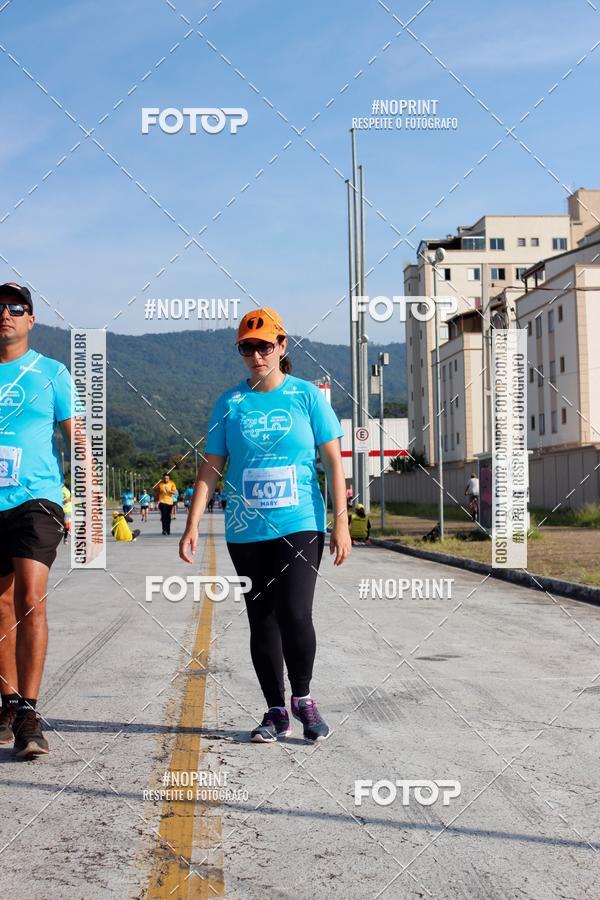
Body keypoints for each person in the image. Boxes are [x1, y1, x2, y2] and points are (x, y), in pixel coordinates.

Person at [180, 307, 351, 744]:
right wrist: (193, 523)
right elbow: (211, 467)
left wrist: (341, 522)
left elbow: (333, 461)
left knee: (295, 612)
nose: (256, 354)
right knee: (262, 618)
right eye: (247, 347)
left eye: (264, 346)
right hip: (246, 529)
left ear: (282, 346)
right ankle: (275, 710)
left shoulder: (306, 396)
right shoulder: (230, 403)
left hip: (299, 522)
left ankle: (304, 698)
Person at [0, 283, 73, 757]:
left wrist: (83, 505)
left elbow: (79, 440)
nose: (5, 314)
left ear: (31, 320)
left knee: (30, 598)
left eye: (15, 308)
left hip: (38, 500)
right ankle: (6, 702)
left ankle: (29, 711)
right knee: (0, 605)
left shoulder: (51, 373)